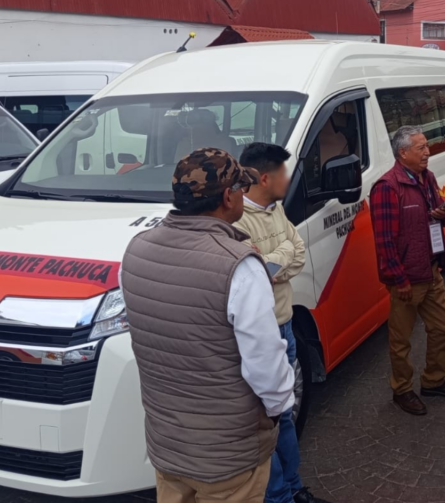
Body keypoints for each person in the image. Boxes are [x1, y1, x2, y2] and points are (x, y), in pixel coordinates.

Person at [121, 148, 294, 503]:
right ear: (229, 196)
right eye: (240, 190)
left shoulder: (137, 249)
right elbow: (267, 370)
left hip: (167, 444)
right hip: (227, 456)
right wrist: (275, 413)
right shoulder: (239, 265)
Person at [233, 143, 328, 503]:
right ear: (264, 177)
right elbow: (254, 273)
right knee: (265, 423)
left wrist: (273, 261)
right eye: (284, 172)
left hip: (285, 324)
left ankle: (291, 487)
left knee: (283, 415)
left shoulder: (276, 210)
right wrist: (275, 262)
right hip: (262, 333)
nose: (290, 179)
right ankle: (277, 495)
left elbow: (297, 253)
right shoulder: (238, 220)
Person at [369, 125, 445, 416]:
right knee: (400, 340)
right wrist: (399, 280)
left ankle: (434, 381)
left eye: (427, 146)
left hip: (432, 270)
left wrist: (443, 214)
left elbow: (442, 217)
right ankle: (402, 389)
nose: (428, 152)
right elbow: (384, 240)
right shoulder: (387, 187)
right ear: (403, 153)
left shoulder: (428, 178)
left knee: (442, 327)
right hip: (407, 280)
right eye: (421, 148)